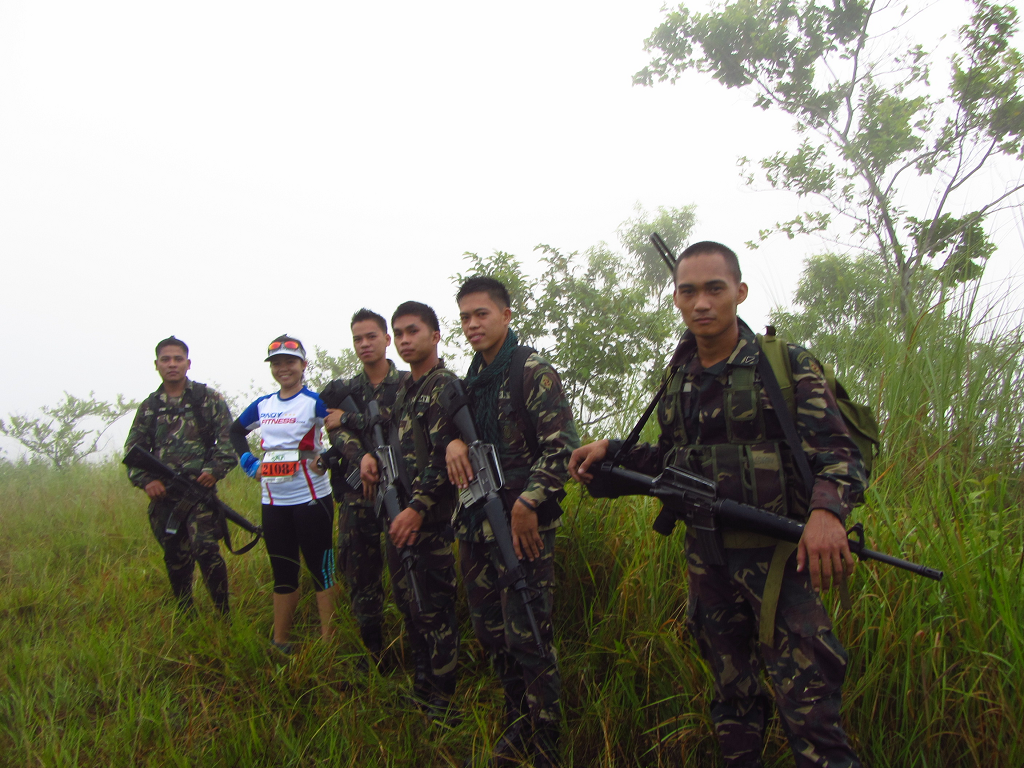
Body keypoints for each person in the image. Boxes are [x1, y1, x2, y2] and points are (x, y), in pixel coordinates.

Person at [569, 242, 866, 768]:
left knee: (811, 710)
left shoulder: (784, 365)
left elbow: (839, 454)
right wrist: (611, 451)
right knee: (732, 698)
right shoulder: (679, 375)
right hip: (708, 559)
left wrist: (826, 515)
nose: (701, 302)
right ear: (677, 300)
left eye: (715, 289)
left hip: (782, 559)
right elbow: (671, 456)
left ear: (740, 293)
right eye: (689, 291)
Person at [446, 277, 580, 768]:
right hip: (476, 521)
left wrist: (529, 503)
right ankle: (516, 721)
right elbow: (453, 435)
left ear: (505, 314)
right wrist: (452, 444)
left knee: (529, 631)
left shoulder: (530, 370)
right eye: (464, 317)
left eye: (481, 314)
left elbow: (561, 446)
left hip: (523, 523)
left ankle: (546, 739)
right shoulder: (470, 382)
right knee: (488, 632)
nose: (472, 325)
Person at [359, 301, 460, 722]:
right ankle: (422, 683)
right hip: (399, 513)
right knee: (408, 604)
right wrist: (370, 459)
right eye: (398, 333)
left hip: (429, 519)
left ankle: (445, 696)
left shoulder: (444, 386)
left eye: (412, 331)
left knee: (434, 606)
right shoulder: (404, 391)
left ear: (435, 336)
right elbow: (393, 447)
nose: (403, 340)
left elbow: (444, 456)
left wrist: (418, 508)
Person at [230, 335, 338, 653]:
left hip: (312, 499)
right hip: (273, 502)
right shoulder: (263, 405)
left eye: (290, 362)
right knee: (283, 571)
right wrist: (249, 463)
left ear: (303, 365)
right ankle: (280, 642)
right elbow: (236, 431)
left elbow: (344, 429)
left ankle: (329, 643)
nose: (283, 368)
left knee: (322, 570)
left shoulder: (314, 401)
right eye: (276, 363)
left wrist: (328, 459)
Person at [124, 336, 237, 616]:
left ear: (188, 363)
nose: (172, 364)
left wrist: (213, 471)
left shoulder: (207, 399)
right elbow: (133, 452)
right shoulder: (149, 407)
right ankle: (186, 614)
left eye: (177, 359)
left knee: (206, 552)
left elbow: (229, 442)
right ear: (156, 365)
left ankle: (224, 616)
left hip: (198, 492)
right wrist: (146, 481)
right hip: (165, 498)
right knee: (175, 558)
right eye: (165, 359)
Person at [320, 308, 408, 667]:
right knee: (361, 577)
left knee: (407, 571)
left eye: (371, 336)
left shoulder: (408, 383)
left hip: (402, 491)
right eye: (357, 338)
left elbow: (403, 423)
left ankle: (415, 648)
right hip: (357, 495)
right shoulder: (342, 390)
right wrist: (361, 459)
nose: (364, 344)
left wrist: (353, 419)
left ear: (387, 339)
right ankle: (374, 654)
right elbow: (334, 429)